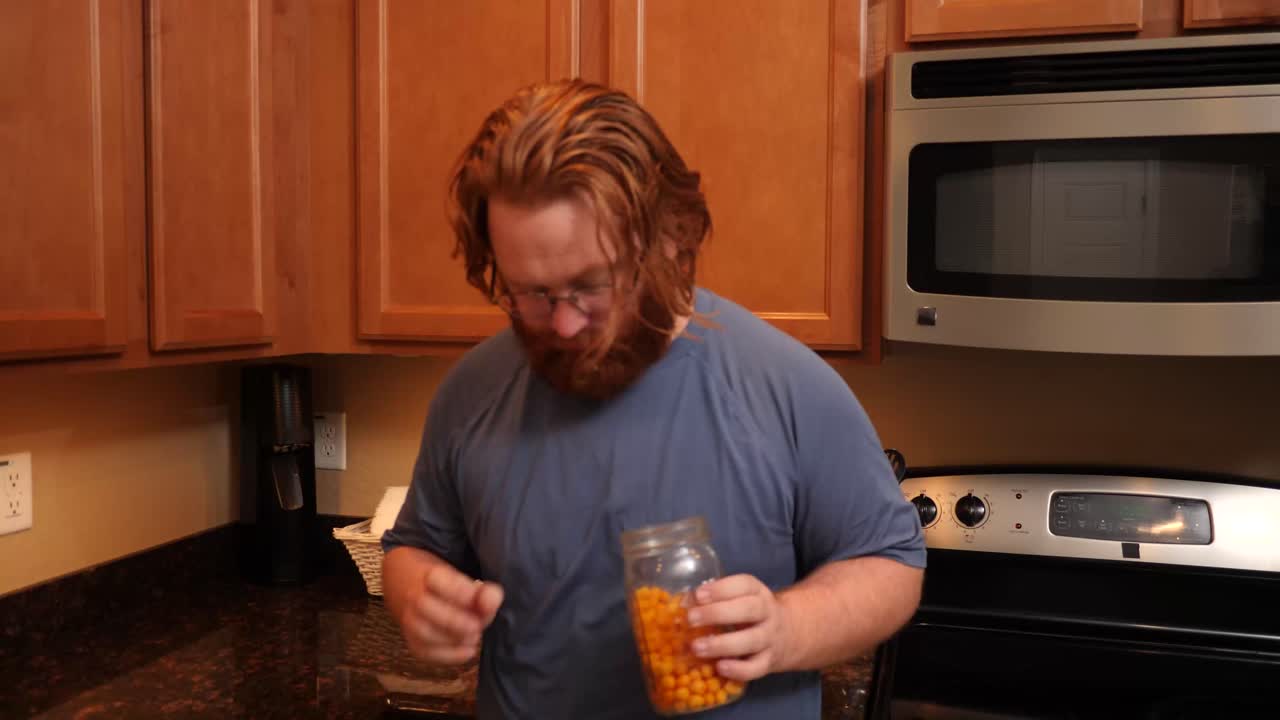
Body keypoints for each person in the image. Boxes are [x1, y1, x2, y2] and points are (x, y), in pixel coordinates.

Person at [382, 78, 926, 719]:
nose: (561, 324)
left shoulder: (786, 386)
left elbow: (890, 564)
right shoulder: (470, 394)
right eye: (530, 293)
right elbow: (415, 546)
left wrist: (785, 627)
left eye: (591, 285)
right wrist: (417, 593)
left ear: (670, 238)